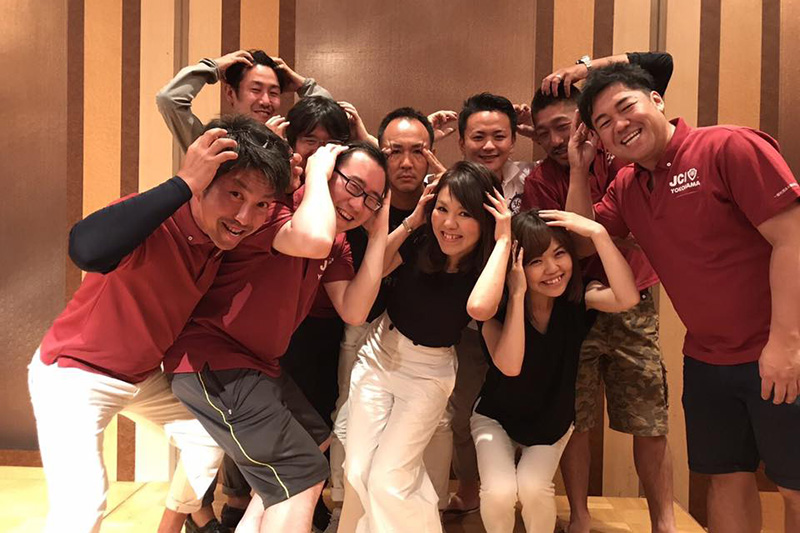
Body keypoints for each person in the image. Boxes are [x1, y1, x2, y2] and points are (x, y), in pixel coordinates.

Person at [27, 117, 291, 533]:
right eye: (235, 193)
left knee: (211, 434)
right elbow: (86, 249)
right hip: (75, 373)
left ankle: (173, 525)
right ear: (203, 183)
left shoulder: (222, 241)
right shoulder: (156, 220)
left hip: (144, 377)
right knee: (82, 504)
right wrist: (182, 182)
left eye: (261, 204)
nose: (244, 216)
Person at [570, 62, 800, 533]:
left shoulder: (727, 146)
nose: (619, 125)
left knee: (794, 485)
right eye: (604, 123)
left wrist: (785, 344)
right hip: (706, 360)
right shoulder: (627, 185)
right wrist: (578, 169)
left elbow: (792, 239)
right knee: (725, 478)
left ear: (656, 100)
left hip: (777, 351)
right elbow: (580, 241)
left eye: (626, 107)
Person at [164, 142, 389, 533]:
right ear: (328, 172)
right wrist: (316, 170)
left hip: (257, 367)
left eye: (371, 199)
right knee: (300, 476)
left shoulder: (335, 242)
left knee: (314, 439)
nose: (357, 204)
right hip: (214, 361)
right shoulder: (274, 210)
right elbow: (312, 239)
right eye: (353, 186)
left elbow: (354, 310)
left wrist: (380, 229)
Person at [520, 51, 677, 533]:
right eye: (542, 133)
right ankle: (581, 518)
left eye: (563, 126)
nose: (554, 139)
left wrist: (587, 69)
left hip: (635, 302)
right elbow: (572, 245)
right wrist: (577, 170)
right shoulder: (539, 181)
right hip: (575, 306)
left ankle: (664, 523)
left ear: (585, 122)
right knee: (578, 418)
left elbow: (661, 63)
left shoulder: (621, 150)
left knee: (649, 419)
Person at [341, 161, 512, 532]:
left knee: (388, 478)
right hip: (377, 356)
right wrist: (413, 221)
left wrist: (502, 241)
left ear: (486, 218)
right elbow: (374, 270)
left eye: (465, 214)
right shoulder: (422, 240)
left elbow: (480, 308)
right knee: (357, 470)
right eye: (442, 209)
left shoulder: (489, 264)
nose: (449, 223)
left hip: (427, 374)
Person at [473, 208, 640, 532]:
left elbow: (627, 297)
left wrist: (598, 233)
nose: (552, 269)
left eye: (560, 254)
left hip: (552, 421)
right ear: (516, 266)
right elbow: (510, 366)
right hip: (496, 416)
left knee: (534, 489)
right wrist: (518, 294)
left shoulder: (578, 299)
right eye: (536, 261)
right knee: (499, 492)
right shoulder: (495, 307)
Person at [325, 107, 445, 531]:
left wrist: (446, 190)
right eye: (395, 151)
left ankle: (418, 516)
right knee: (350, 431)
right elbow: (364, 276)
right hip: (364, 327)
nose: (406, 162)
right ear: (381, 152)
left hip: (425, 340)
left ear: (432, 154)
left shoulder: (444, 207)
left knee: (423, 440)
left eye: (418, 151)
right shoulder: (364, 203)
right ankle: (348, 511)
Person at [444, 93, 536, 515]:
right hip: (468, 319)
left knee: (524, 402)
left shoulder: (532, 177)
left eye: (500, 136)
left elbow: (573, 158)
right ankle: (469, 485)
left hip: (523, 315)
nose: (489, 145)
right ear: (461, 141)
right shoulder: (452, 183)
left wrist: (539, 131)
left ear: (514, 139)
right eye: (478, 136)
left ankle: (521, 490)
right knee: (463, 408)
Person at [156, 49, 331, 152]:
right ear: (230, 94)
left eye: (273, 92)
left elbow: (331, 117)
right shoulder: (213, 143)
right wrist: (212, 67)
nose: (265, 101)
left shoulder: (288, 140)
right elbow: (169, 99)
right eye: (256, 90)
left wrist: (304, 86)